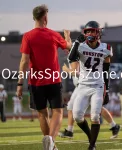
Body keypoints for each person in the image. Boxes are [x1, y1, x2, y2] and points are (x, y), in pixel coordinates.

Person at [16, 4, 72, 150]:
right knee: (58, 111)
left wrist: (19, 84)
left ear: (34, 17)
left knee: (42, 114)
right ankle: (51, 141)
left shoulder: (28, 36)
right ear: (45, 17)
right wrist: (67, 36)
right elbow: (69, 47)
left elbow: (24, 61)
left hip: (35, 82)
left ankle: (50, 145)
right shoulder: (53, 34)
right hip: (53, 79)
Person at [67, 21, 114, 150]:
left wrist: (107, 89)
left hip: (98, 86)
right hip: (82, 86)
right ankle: (90, 137)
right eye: (88, 31)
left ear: (98, 32)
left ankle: (92, 146)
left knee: (94, 116)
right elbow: (71, 58)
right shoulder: (81, 46)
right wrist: (76, 42)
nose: (90, 34)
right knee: (77, 116)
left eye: (92, 31)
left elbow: (106, 70)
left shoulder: (106, 48)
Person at [59, 63, 120, 140]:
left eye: (67, 50)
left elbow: (80, 74)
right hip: (81, 85)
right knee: (71, 106)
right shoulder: (74, 56)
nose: (65, 51)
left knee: (97, 109)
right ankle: (70, 130)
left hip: (85, 85)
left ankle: (113, 126)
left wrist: (67, 70)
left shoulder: (78, 56)